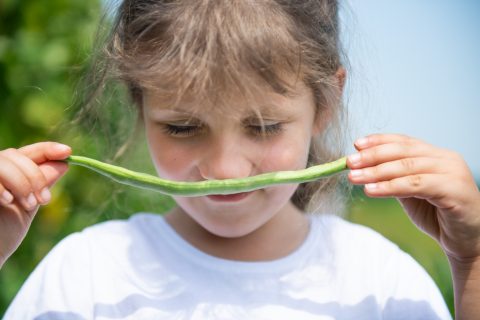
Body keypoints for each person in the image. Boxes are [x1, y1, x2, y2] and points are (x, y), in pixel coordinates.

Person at [1, 0, 479, 319]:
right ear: (138, 104)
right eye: (183, 128)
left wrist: (472, 262)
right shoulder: (84, 276)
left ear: (326, 104)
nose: (226, 171)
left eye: (265, 127)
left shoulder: (380, 283)